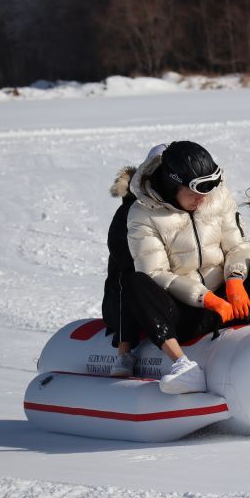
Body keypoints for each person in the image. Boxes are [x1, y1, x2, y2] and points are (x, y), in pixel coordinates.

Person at [122, 141, 250, 393]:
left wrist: (235, 280)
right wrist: (207, 299)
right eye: (194, 194)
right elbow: (156, 273)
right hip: (188, 312)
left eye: (206, 193)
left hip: (232, 299)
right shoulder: (142, 213)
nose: (202, 200)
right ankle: (182, 365)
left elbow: (238, 246)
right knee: (136, 282)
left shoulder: (217, 196)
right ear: (171, 184)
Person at [102, 144, 167, 377]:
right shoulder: (129, 213)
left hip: (163, 293)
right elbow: (127, 261)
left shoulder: (173, 207)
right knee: (132, 277)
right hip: (124, 302)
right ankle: (124, 351)